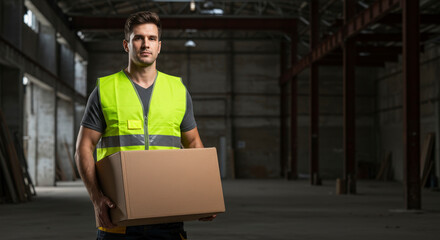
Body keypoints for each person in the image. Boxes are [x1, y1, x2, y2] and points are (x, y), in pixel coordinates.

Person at [75, 11, 215, 240]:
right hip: (118, 217)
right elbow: (83, 148)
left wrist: (204, 196)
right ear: (126, 45)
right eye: (138, 38)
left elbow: (193, 142)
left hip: (168, 214)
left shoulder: (178, 90)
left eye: (151, 38)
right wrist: (96, 198)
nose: (145, 44)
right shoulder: (105, 90)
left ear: (159, 46)